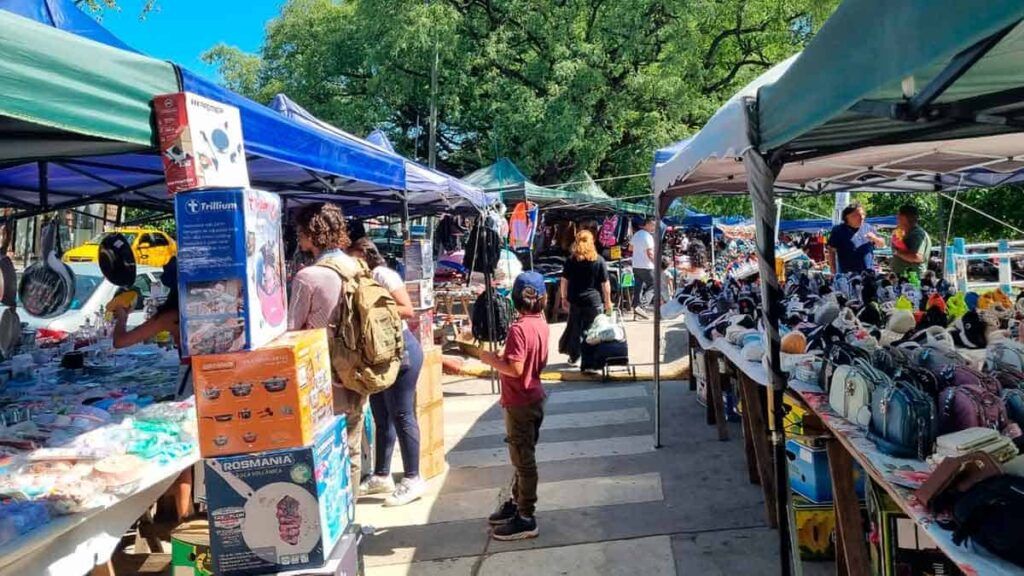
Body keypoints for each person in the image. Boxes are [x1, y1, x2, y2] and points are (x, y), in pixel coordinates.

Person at [287, 202, 369, 494]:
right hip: (358, 371)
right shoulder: (358, 267)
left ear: (312, 233)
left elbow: (292, 331)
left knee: (323, 452)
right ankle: (351, 510)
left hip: (323, 379)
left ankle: (331, 513)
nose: (298, 238)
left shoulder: (307, 277)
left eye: (300, 232)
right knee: (352, 448)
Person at [110, 257, 192, 521]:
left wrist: (122, 317)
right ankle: (187, 513)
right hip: (213, 377)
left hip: (189, 382)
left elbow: (121, 341)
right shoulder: (205, 305)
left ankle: (183, 514)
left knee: (183, 449)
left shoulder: (171, 315)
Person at [347, 237, 426, 507]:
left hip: (400, 352)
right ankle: (382, 474)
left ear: (363, 254)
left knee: (402, 413)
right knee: (381, 414)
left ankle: (413, 478)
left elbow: (407, 309)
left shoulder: (382, 275)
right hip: (378, 356)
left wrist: (372, 312)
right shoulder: (359, 279)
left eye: (352, 256)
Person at [480, 271, 549, 541]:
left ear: (515, 299)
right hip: (534, 397)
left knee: (523, 460)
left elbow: (516, 369)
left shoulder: (518, 329)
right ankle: (517, 501)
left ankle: (525, 516)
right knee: (523, 454)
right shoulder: (541, 323)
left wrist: (490, 359)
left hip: (520, 401)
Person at [558, 230, 612, 367]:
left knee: (575, 329)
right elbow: (605, 284)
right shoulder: (599, 260)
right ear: (592, 242)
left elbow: (564, 281)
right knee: (595, 330)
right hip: (594, 301)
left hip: (576, 301)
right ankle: (592, 358)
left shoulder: (571, 260)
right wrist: (608, 302)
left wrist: (563, 297)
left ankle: (575, 357)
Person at [827, 203, 885, 274]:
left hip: (868, 273)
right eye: (857, 215)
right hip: (847, 274)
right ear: (847, 217)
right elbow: (831, 250)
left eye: (863, 214)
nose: (861, 217)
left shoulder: (868, 228)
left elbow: (882, 244)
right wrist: (833, 270)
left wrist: (875, 238)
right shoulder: (838, 230)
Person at [891, 204, 932, 281]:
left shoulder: (917, 234)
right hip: (905, 277)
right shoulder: (906, 232)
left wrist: (897, 252)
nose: (897, 218)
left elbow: (917, 257)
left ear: (904, 217)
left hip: (912, 279)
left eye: (898, 216)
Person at [629, 216, 657, 320]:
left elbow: (630, 248)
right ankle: (641, 307)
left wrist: (639, 250)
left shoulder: (637, 234)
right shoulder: (648, 236)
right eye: (653, 225)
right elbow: (650, 253)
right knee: (654, 285)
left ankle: (636, 313)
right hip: (646, 266)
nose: (654, 228)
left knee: (638, 289)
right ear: (648, 224)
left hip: (636, 265)